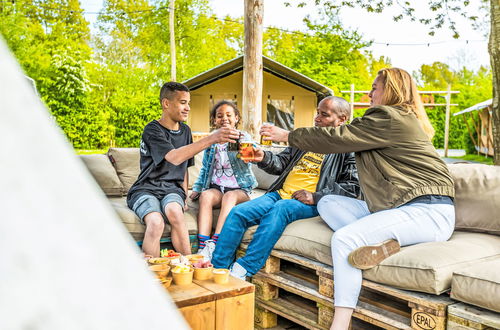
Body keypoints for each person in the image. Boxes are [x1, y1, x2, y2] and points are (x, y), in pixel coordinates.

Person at [261, 68, 455, 330]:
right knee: (327, 202)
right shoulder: (401, 119)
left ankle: (339, 325)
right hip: (406, 211)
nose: (369, 93)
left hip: (427, 211)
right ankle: (386, 243)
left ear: (391, 90)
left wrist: (287, 135)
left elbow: (340, 137)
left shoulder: (387, 116)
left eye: (374, 88)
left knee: (345, 239)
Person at [211, 96, 361, 279]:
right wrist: (263, 157)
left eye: (324, 115)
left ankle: (243, 269)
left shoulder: (349, 148)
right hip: (279, 195)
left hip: (311, 202)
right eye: (317, 113)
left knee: (281, 209)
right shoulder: (307, 139)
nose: (317, 118)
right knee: (237, 213)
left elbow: (352, 187)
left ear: (342, 119)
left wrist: (316, 196)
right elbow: (281, 162)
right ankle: (217, 268)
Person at [127, 82, 240, 257]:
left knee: (175, 212)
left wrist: (183, 194)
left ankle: (189, 264)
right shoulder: (152, 130)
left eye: (188, 103)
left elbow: (184, 165)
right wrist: (212, 138)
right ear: (166, 104)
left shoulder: (185, 130)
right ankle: (155, 275)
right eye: (183, 102)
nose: (187, 108)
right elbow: (175, 157)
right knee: (156, 222)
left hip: (172, 190)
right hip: (145, 189)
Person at [190, 101, 257, 259]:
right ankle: (203, 245)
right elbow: (206, 169)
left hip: (240, 190)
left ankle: (215, 243)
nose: (224, 118)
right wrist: (198, 188)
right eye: (219, 116)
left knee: (230, 196)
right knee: (206, 196)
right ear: (214, 120)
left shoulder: (242, 137)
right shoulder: (211, 142)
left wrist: (248, 152)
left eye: (229, 115)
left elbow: (253, 156)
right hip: (217, 188)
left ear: (236, 118)